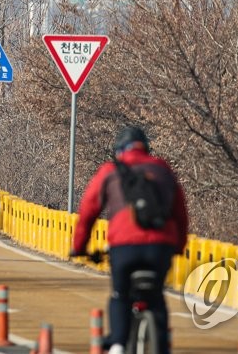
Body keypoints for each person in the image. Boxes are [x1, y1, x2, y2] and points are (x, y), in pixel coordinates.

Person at [70, 125, 189, 354]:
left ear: (119, 150)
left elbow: (88, 211)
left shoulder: (110, 171)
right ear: (145, 148)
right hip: (160, 247)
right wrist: (179, 246)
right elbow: (180, 212)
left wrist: (79, 247)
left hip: (124, 247)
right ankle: (161, 348)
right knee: (156, 299)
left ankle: (117, 344)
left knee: (120, 295)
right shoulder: (162, 169)